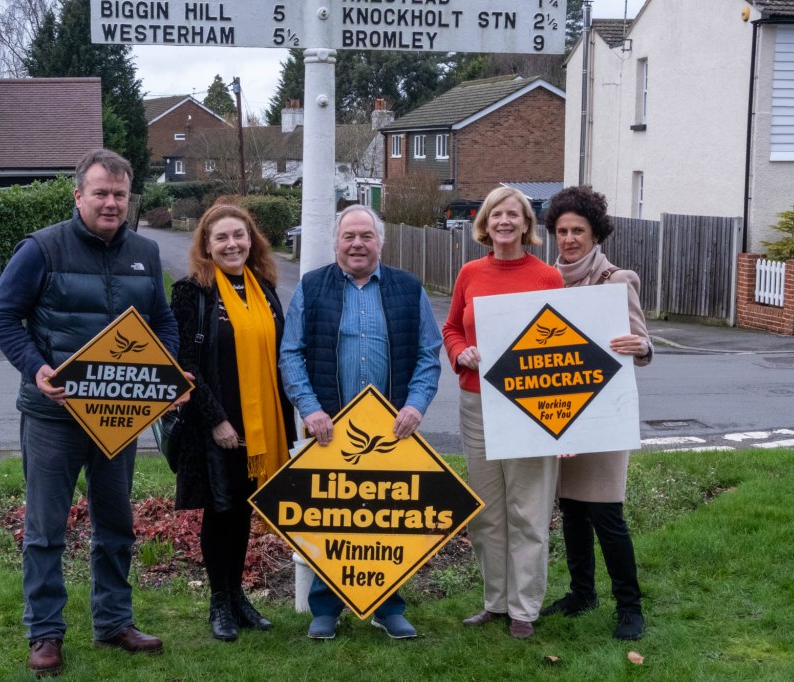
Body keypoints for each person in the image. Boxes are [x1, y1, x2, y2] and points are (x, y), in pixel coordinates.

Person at [0, 149, 177, 676]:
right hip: (54, 417)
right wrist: (36, 368)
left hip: (118, 416)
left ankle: (114, 621)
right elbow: (0, 314)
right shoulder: (42, 248)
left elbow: (162, 321)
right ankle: (45, 633)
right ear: (78, 196)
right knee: (46, 529)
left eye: (119, 194)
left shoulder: (145, 252)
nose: (110, 203)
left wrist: (167, 372)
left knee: (116, 524)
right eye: (101, 193)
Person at [279, 205, 442, 640]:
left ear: (379, 242)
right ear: (336, 242)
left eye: (366, 236)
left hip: (393, 428)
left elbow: (429, 353)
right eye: (349, 236)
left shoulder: (408, 288)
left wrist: (416, 405)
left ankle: (388, 607)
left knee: (388, 519)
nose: (357, 244)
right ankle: (325, 608)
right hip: (328, 427)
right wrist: (310, 408)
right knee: (331, 518)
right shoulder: (312, 287)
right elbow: (291, 353)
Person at [169, 204, 296, 642]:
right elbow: (184, 364)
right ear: (206, 245)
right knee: (219, 509)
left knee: (242, 510)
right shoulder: (191, 292)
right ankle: (219, 601)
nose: (232, 244)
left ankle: (238, 597)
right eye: (221, 237)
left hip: (261, 422)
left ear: (251, 240)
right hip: (215, 424)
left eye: (239, 235)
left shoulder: (264, 288)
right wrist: (216, 420)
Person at [442, 187, 564, 640]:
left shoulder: (547, 277)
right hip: (477, 403)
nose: (504, 221)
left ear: (527, 224)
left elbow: (563, 343)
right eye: (496, 214)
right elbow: (452, 327)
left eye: (514, 214)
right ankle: (495, 602)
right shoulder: (470, 273)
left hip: (530, 406)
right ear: (485, 223)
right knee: (487, 512)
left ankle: (524, 609)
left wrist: (564, 423)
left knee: (528, 511)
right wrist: (461, 352)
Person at [539, 185, 653, 641]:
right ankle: (582, 593)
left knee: (606, 514)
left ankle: (630, 606)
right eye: (562, 231)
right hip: (560, 415)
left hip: (603, 416)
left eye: (578, 231)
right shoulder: (545, 280)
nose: (569, 239)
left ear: (595, 233)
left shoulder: (616, 281)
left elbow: (642, 344)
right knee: (570, 510)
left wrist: (640, 346)